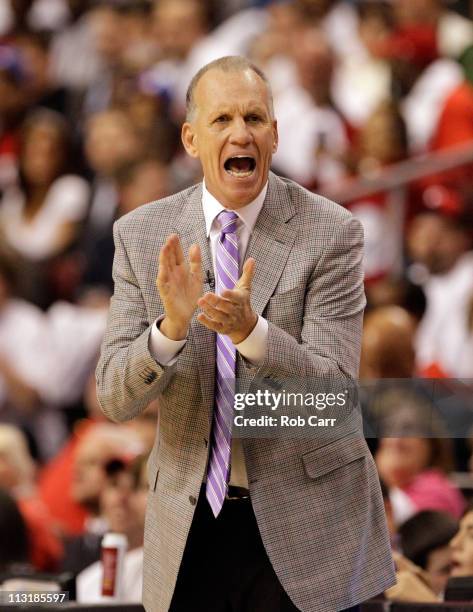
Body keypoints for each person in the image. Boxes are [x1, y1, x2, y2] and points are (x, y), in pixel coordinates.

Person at [97, 55, 395, 612]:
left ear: (276, 134)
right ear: (190, 138)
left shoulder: (330, 232)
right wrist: (171, 328)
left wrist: (251, 332)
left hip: (311, 521)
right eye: (222, 120)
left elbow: (332, 396)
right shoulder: (141, 236)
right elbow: (114, 396)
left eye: (255, 119)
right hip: (190, 523)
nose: (241, 133)